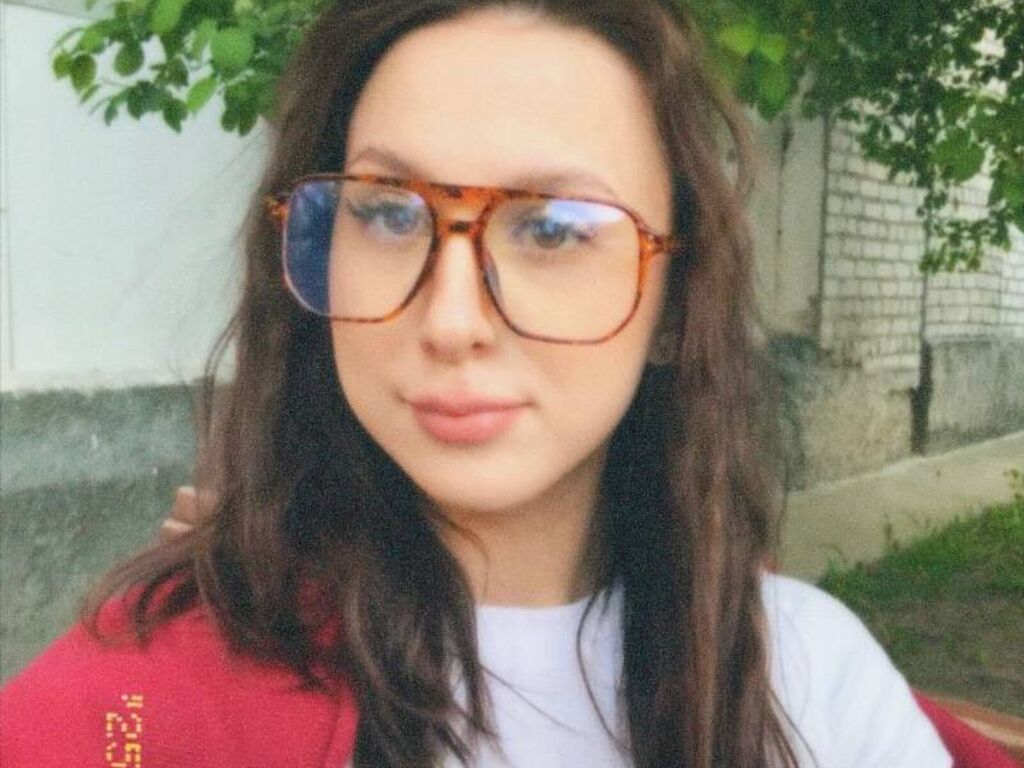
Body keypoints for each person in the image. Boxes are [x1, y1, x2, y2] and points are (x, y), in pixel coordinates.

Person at [1, 1, 953, 766]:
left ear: (676, 302)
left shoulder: (808, 678)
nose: (451, 321)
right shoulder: (139, 702)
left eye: (553, 229)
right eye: (387, 213)